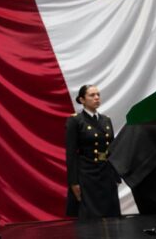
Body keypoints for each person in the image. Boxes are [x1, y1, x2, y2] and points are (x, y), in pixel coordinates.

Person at [65, 84, 120, 219]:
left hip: (106, 172)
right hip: (87, 173)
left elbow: (112, 149)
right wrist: (73, 182)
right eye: (92, 95)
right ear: (82, 100)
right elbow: (71, 153)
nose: (96, 98)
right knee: (92, 216)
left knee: (111, 214)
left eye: (98, 95)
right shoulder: (76, 120)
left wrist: (116, 175)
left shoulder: (106, 120)